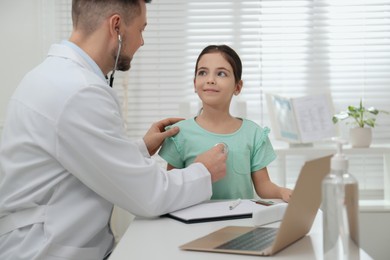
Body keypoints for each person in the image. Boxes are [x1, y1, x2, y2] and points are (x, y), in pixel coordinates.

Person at [0, 1, 227, 259]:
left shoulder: (51, 77)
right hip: (43, 250)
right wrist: (203, 171)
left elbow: (81, 158)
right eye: (141, 29)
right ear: (116, 26)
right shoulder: (78, 91)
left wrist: (140, 148)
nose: (142, 42)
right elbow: (149, 196)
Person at [159, 44, 292, 201]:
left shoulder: (253, 134)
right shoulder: (178, 134)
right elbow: (172, 188)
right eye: (203, 73)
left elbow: (263, 186)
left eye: (221, 73)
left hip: (240, 223)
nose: (210, 80)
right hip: (194, 223)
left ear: (237, 86)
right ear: (195, 84)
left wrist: (282, 192)